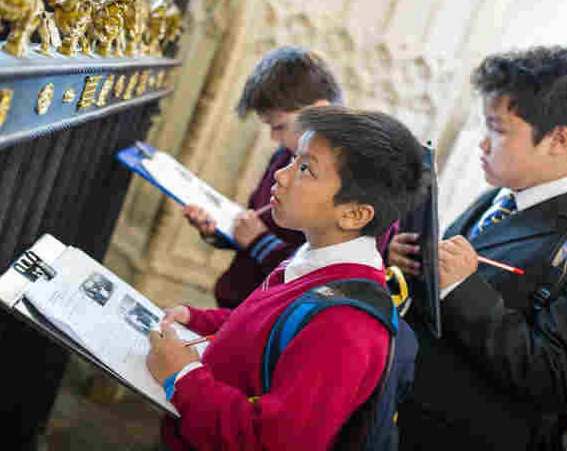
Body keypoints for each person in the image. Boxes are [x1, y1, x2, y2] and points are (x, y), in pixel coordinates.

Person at [389, 44, 567, 450]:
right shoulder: (500, 198)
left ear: (557, 140)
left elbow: (558, 381)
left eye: (498, 129)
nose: (483, 143)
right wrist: (413, 266)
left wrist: (463, 290)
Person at [146, 105, 427, 451]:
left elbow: (271, 442)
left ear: (354, 214)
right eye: (294, 159)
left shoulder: (346, 326)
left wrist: (183, 377)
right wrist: (200, 320)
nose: (282, 175)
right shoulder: (315, 257)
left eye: (306, 169)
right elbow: (268, 333)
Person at [184, 45, 397, 309]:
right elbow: (260, 218)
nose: (274, 138)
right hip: (239, 307)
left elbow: (328, 283)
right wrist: (221, 229)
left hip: (274, 319)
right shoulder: (287, 153)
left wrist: (258, 241)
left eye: (279, 126)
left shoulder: (357, 180)